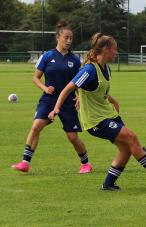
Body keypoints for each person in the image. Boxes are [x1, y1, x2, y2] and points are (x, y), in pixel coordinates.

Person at [48, 33, 146, 191]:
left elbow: (95, 89)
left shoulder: (105, 69)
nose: (117, 52)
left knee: (127, 149)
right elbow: (68, 88)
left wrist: (113, 100)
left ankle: (107, 185)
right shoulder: (89, 69)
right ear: (106, 49)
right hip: (96, 120)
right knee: (132, 137)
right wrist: (57, 108)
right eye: (115, 49)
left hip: (109, 115)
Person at [11, 20, 92, 174]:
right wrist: (45, 88)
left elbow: (79, 81)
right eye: (66, 38)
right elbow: (36, 78)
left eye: (70, 38)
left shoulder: (74, 60)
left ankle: (86, 164)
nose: (68, 41)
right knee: (35, 127)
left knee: (73, 138)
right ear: (57, 38)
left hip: (67, 102)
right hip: (48, 100)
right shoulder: (47, 56)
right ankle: (25, 162)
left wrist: (79, 97)